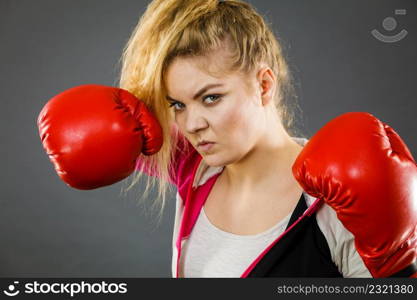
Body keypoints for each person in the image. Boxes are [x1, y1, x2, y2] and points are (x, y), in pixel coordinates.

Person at [37, 0, 417, 278]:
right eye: (177, 104)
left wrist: (399, 268)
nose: (192, 124)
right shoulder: (195, 170)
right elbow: (113, 129)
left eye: (211, 97)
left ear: (264, 85)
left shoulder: (340, 202)